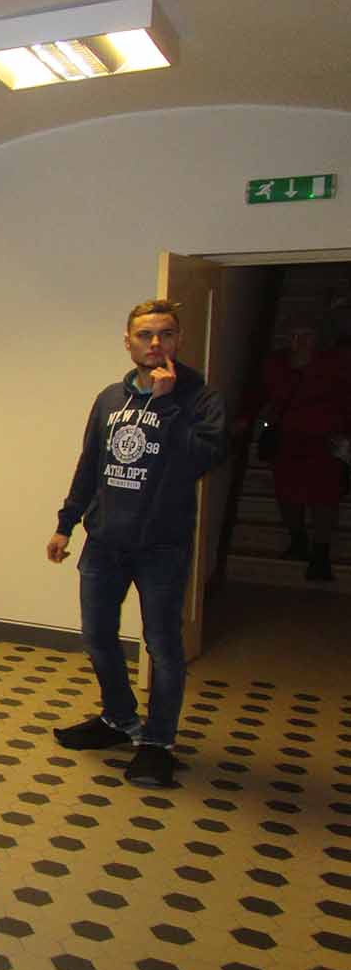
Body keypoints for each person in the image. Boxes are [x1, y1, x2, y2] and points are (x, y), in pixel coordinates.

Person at [46, 297, 227, 789]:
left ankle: (158, 743)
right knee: (97, 637)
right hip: (105, 542)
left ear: (178, 340)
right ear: (128, 342)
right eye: (145, 335)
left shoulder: (200, 399)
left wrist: (167, 405)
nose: (155, 343)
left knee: (163, 646)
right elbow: (90, 464)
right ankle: (119, 718)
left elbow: (202, 460)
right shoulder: (110, 398)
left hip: (161, 546)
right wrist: (66, 523)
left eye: (165, 334)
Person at [240, 320, 350, 581]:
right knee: (288, 494)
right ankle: (298, 541)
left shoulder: (334, 365)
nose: (300, 341)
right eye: (295, 335)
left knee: (324, 498)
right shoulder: (276, 365)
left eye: (306, 335)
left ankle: (320, 554)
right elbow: (258, 394)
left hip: (324, 442)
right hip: (287, 440)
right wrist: (245, 419)